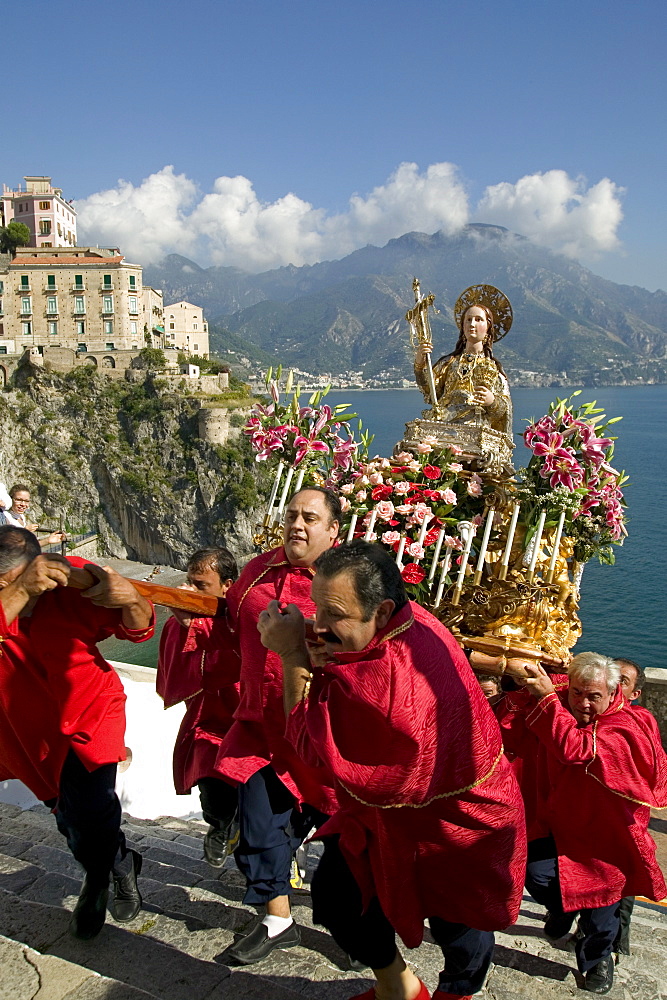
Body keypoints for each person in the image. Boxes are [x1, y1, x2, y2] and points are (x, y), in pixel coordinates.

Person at [258, 541, 527, 1000]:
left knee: (459, 921)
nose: (318, 625)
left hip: (460, 824)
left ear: (381, 611)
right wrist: (330, 649)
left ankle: (458, 992)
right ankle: (399, 987)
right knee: (339, 902)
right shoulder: (412, 621)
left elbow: (309, 746)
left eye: (334, 613)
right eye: (316, 606)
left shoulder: (389, 690)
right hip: (396, 816)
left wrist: (291, 657)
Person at [0, 526, 155, 940]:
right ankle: (121, 861)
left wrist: (132, 600)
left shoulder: (72, 580)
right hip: (26, 732)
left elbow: (139, 630)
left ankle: (98, 883)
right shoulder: (10, 597)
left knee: (91, 808)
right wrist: (17, 594)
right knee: (66, 817)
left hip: (91, 713)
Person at [215, 486, 341, 965]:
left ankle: (352, 925)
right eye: (291, 514)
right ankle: (277, 918)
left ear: (332, 530)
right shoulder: (256, 572)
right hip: (260, 727)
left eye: (310, 517)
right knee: (259, 827)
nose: (296, 525)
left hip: (325, 733)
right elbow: (229, 624)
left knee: (340, 833)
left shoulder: (345, 582)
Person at [496, 652, 667, 994]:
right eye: (577, 693)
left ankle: (597, 961)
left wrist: (547, 698)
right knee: (535, 875)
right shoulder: (561, 699)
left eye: (594, 697)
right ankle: (563, 908)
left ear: (613, 693)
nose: (584, 703)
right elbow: (513, 711)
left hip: (605, 832)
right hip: (553, 819)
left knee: (602, 903)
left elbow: (575, 748)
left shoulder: (628, 724)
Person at [157, 546, 241, 866]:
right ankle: (219, 827)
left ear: (227, 586)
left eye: (201, 586)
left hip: (242, 716)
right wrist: (185, 622)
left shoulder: (242, 619)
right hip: (207, 717)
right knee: (208, 780)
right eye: (189, 582)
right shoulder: (179, 621)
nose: (190, 591)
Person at [414, 286, 512, 436]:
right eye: (468, 320)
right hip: (445, 425)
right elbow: (430, 389)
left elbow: (503, 410)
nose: (472, 324)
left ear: (488, 327)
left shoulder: (494, 370)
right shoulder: (448, 363)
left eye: (478, 320)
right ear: (463, 325)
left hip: (476, 429)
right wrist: (420, 364)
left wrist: (492, 401)